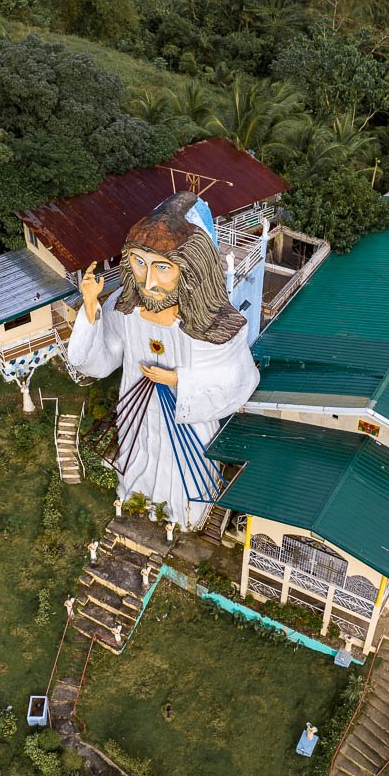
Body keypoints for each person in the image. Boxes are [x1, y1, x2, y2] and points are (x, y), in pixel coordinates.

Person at [68, 192, 260, 529]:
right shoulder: (123, 309)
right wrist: (89, 307)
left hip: (187, 422)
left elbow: (238, 380)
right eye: (139, 263)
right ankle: (137, 498)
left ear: (192, 269)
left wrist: (178, 381)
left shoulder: (216, 325)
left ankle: (184, 516)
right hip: (136, 414)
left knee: (183, 473)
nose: (148, 280)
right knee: (138, 461)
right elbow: (99, 361)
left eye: (162, 267)